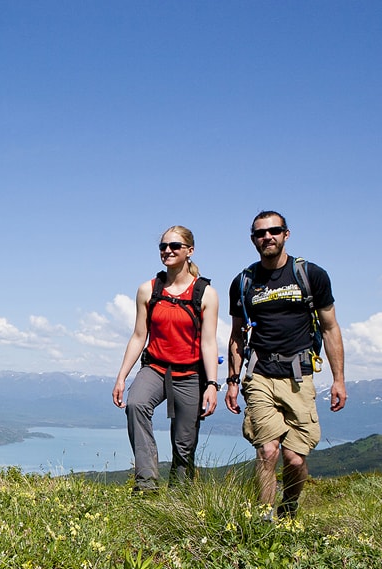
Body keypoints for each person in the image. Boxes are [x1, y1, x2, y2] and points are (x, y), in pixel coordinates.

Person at [225, 210, 346, 518]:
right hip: (260, 373)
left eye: (274, 231)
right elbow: (237, 335)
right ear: (253, 239)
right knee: (267, 451)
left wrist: (338, 379)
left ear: (286, 234)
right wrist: (232, 380)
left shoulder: (311, 275)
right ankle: (264, 520)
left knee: (294, 458)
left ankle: (288, 509)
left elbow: (330, 328)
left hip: (299, 375)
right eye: (260, 233)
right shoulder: (244, 282)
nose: (268, 237)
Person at [112, 225, 219, 491]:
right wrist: (122, 377)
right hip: (156, 368)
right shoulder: (148, 290)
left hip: (191, 373)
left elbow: (208, 342)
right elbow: (139, 336)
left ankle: (179, 499)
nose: (168, 251)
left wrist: (212, 385)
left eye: (174, 246)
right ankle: (146, 484)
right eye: (163, 247)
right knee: (136, 405)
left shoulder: (205, 294)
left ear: (189, 251)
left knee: (184, 444)